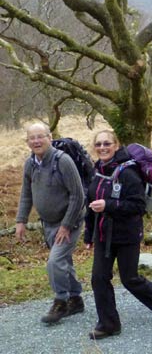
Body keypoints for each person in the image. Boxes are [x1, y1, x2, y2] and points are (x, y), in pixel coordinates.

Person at [84, 130, 152, 340]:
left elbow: (138, 205)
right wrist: (89, 235)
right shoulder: (98, 170)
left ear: (116, 145)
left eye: (107, 143)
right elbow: (90, 205)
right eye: (98, 144)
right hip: (102, 236)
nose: (102, 147)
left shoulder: (127, 172)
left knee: (130, 279)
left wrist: (108, 205)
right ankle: (108, 324)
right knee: (99, 278)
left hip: (127, 235)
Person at [15, 123, 85, 324]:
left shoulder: (63, 161)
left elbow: (78, 195)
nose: (36, 141)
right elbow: (26, 194)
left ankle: (60, 302)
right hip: (48, 223)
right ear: (27, 142)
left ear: (49, 137)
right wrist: (21, 220)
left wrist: (66, 225)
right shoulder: (30, 164)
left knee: (54, 262)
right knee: (63, 262)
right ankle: (76, 299)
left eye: (40, 136)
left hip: (69, 222)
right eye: (32, 138)